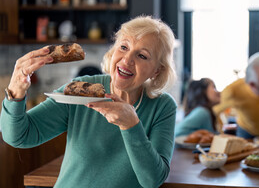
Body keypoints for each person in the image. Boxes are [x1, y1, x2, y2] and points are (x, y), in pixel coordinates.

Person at [1, 16, 178, 188]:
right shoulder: (81, 90)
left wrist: (131, 126)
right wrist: (15, 93)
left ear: (157, 71)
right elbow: (18, 136)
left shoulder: (162, 107)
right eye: (123, 47)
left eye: (142, 55)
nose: (127, 59)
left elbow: (152, 180)